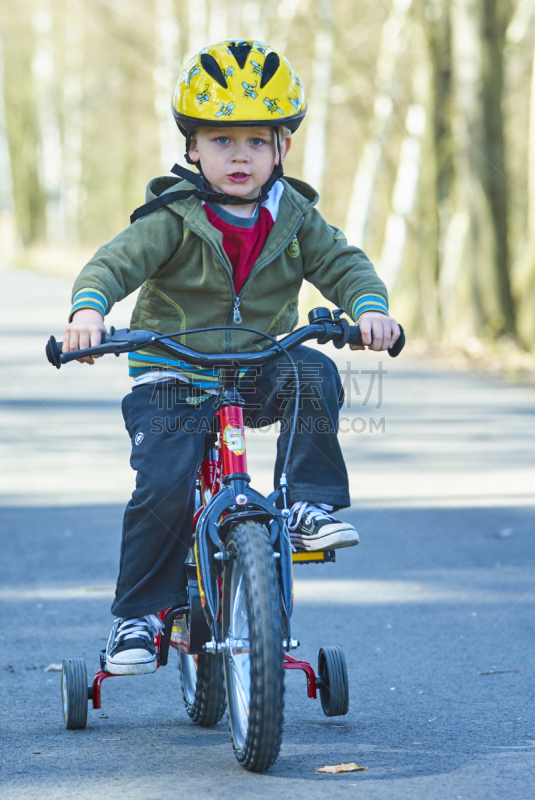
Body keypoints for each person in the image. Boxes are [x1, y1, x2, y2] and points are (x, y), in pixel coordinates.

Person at [62, 40, 400, 676]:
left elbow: (344, 265)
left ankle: (307, 505)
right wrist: (88, 313)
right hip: (173, 372)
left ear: (282, 148)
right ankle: (140, 615)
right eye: (221, 140)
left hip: (258, 367)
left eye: (255, 140)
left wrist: (371, 308)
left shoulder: (297, 219)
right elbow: (114, 263)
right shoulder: (172, 216)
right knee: (163, 483)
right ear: (193, 147)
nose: (238, 155)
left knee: (314, 371)